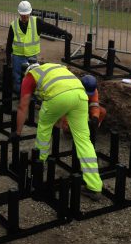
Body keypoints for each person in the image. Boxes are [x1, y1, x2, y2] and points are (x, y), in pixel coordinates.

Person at [12, 61, 103, 200]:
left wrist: (17, 132)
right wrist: (59, 120)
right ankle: (95, 186)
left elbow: (23, 107)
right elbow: (64, 90)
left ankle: (40, 161)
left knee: (44, 127)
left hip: (59, 97)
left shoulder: (30, 77)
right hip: (80, 95)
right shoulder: (55, 67)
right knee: (84, 140)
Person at [6, 0, 72, 94]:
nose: (24, 17)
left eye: (26, 15)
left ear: (30, 13)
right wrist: (8, 59)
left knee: (33, 78)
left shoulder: (36, 22)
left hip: (32, 57)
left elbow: (50, 28)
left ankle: (31, 99)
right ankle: (20, 97)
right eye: (22, 15)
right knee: (17, 78)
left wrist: (63, 33)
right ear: (19, 13)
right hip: (18, 57)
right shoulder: (14, 25)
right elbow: (9, 44)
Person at [59, 74, 106, 140]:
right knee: (67, 121)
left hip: (85, 107)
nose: (87, 95)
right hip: (74, 109)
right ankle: (69, 132)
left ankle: (91, 131)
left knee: (102, 112)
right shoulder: (72, 91)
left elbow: (95, 105)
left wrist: (95, 117)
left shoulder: (93, 90)